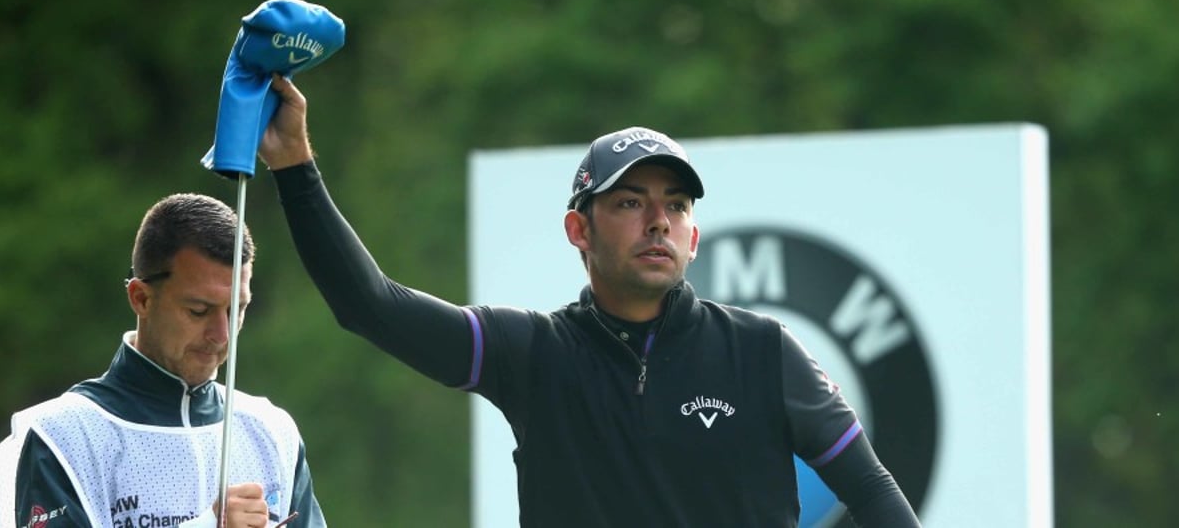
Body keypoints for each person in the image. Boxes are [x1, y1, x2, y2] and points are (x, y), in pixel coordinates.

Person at [260, 75, 920, 527]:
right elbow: (369, 305)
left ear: (694, 234)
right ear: (580, 228)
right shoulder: (532, 351)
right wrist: (295, 164)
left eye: (676, 205)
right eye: (631, 202)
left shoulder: (764, 350)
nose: (658, 221)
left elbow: (874, 493)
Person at [0, 192, 326, 528]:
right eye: (199, 310)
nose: (221, 335)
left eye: (236, 309)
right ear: (141, 298)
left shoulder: (271, 431)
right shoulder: (62, 436)